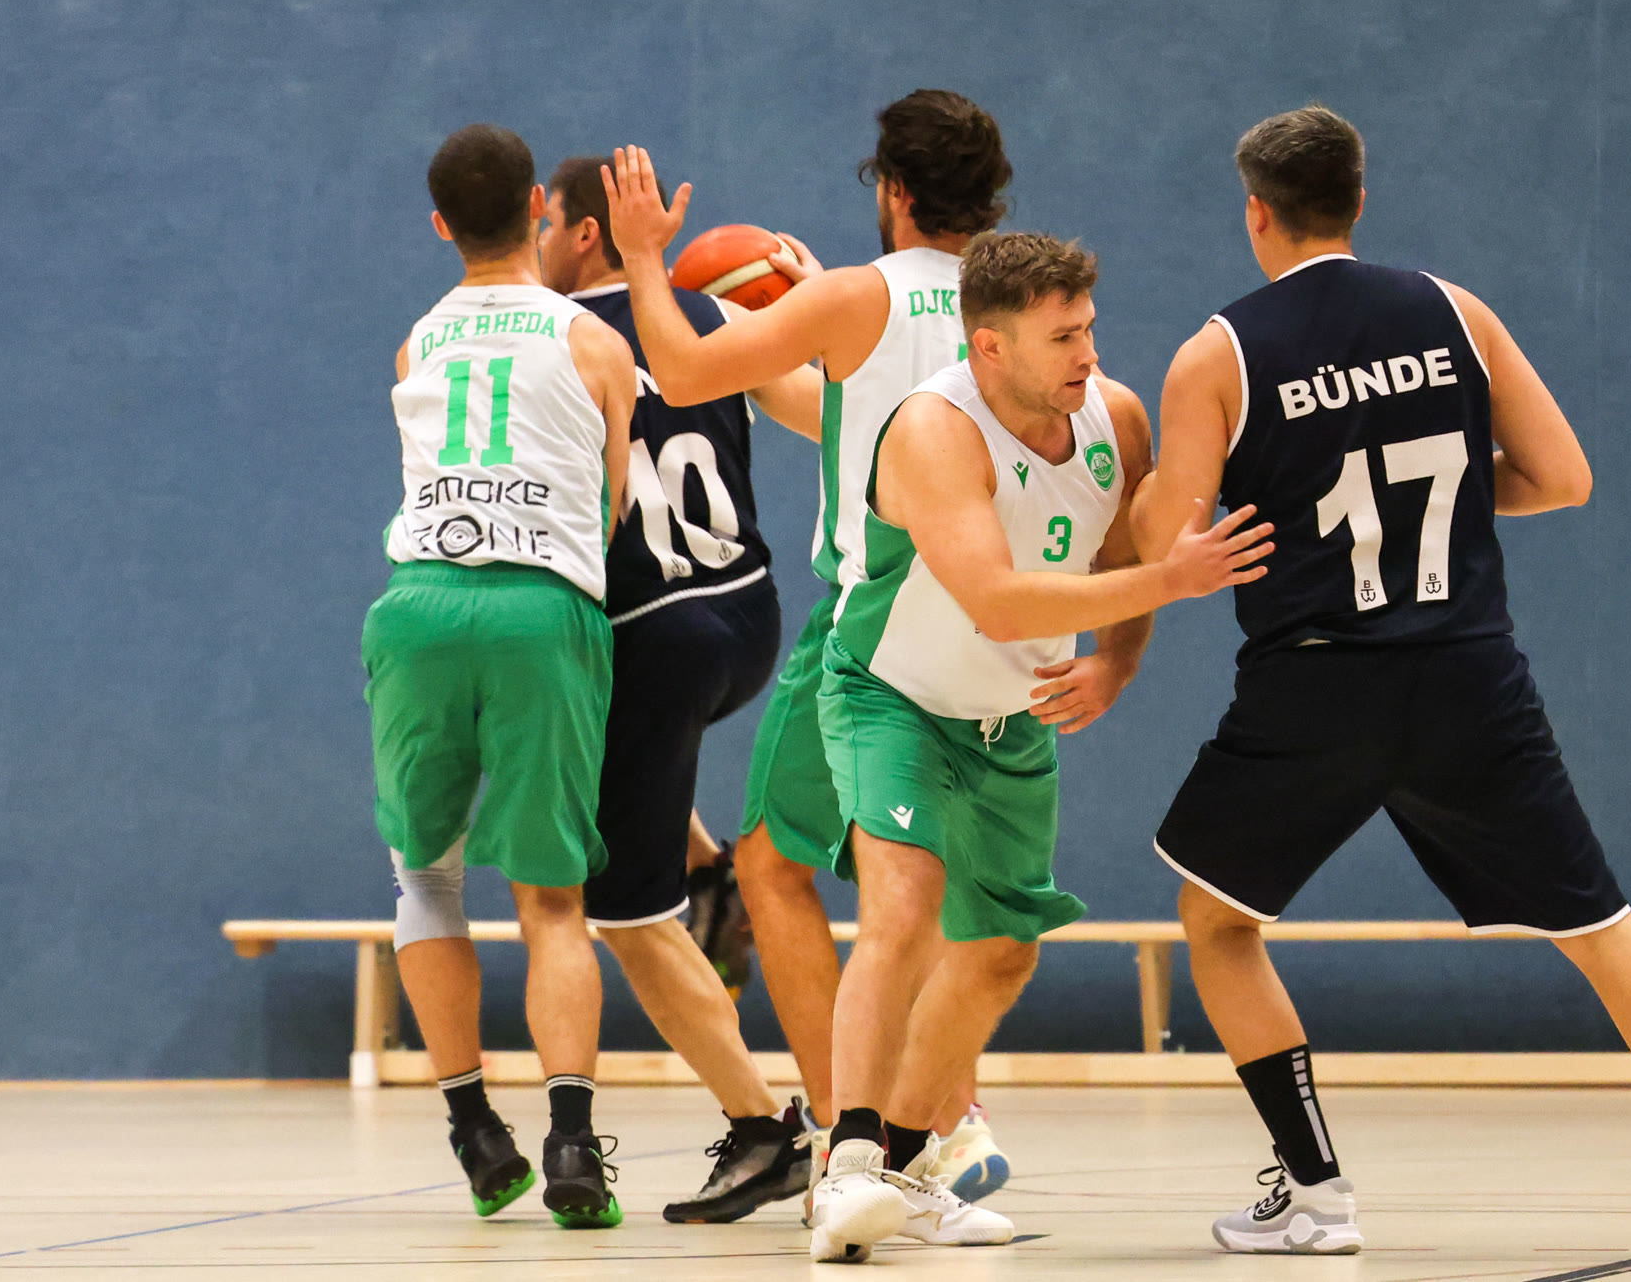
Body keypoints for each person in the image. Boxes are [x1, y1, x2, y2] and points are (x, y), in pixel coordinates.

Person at [1130, 104, 1631, 1258]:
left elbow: (1170, 538)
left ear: (1254, 213)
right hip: (1464, 673)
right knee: (1602, 931)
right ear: (1358, 200)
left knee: (1215, 923)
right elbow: (1560, 478)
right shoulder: (1455, 311)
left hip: (1314, 682)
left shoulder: (1216, 354)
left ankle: (1314, 1193)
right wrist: (1454, 499)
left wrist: (1121, 493)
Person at [802, 232, 1276, 1262]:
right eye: (1061, 337)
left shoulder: (1116, 416)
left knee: (1002, 953)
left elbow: (1120, 554)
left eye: (1088, 328)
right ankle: (843, 1169)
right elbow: (999, 602)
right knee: (902, 906)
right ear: (989, 346)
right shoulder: (933, 430)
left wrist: (1119, 662)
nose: (1086, 353)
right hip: (892, 696)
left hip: (1010, 720)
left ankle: (905, 1169)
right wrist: (1172, 582)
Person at [601, 90, 1021, 1195]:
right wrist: (796, 321)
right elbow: (839, 415)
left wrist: (644, 261)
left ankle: (851, 1132)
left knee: (772, 866)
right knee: (923, 883)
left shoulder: (856, 297)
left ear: (893, 190)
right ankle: (948, 1122)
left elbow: (681, 375)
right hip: (996, 623)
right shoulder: (1017, 305)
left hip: (873, 619)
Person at [533, 154, 819, 1222]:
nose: (538, 246)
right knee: (631, 780)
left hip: (652, 640)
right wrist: (808, 308)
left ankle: (762, 1130)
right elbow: (826, 413)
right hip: (747, 614)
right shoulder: (703, 313)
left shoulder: (559, 344)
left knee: (624, 914)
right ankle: (711, 865)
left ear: (587, 235)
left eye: (550, 227)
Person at [365, 123, 634, 1228]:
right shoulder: (595, 342)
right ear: (536, 207)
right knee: (552, 899)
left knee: (425, 880)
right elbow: (613, 502)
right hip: (540, 609)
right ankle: (571, 1144)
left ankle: (476, 1133)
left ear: (439, 224)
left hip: (420, 604)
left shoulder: (415, 345)